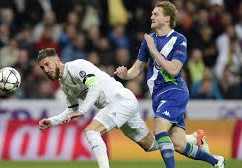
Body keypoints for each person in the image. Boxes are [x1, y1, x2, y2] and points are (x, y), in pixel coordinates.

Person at [38, 48, 208, 168]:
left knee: (91, 131)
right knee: (150, 145)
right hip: (121, 104)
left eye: (47, 64)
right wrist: (52, 121)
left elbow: (95, 86)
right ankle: (195, 138)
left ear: (57, 60)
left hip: (120, 100)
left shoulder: (76, 67)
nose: (45, 69)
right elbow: (72, 108)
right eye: (42, 67)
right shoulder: (64, 83)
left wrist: (82, 111)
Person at [115, 1, 225, 168]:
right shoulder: (149, 40)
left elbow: (174, 69)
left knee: (159, 128)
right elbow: (137, 68)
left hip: (174, 91)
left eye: (156, 14)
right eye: (151, 13)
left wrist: (154, 51)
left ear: (167, 18)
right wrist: (126, 74)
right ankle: (217, 161)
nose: (151, 16)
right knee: (179, 144)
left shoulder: (179, 40)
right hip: (158, 96)